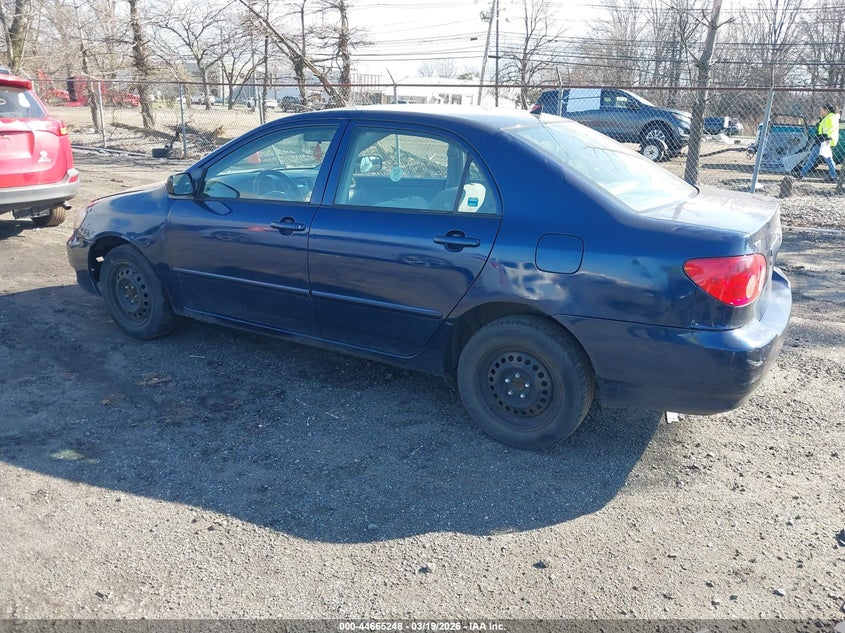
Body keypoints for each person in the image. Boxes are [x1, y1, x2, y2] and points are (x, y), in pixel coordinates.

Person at [797, 103, 840, 181]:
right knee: (828, 159)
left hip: (824, 140)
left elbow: (832, 129)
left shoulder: (830, 118)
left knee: (813, 158)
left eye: (821, 110)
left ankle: (801, 174)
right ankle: (833, 176)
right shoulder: (828, 117)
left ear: (826, 110)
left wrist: (829, 138)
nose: (820, 111)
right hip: (823, 140)